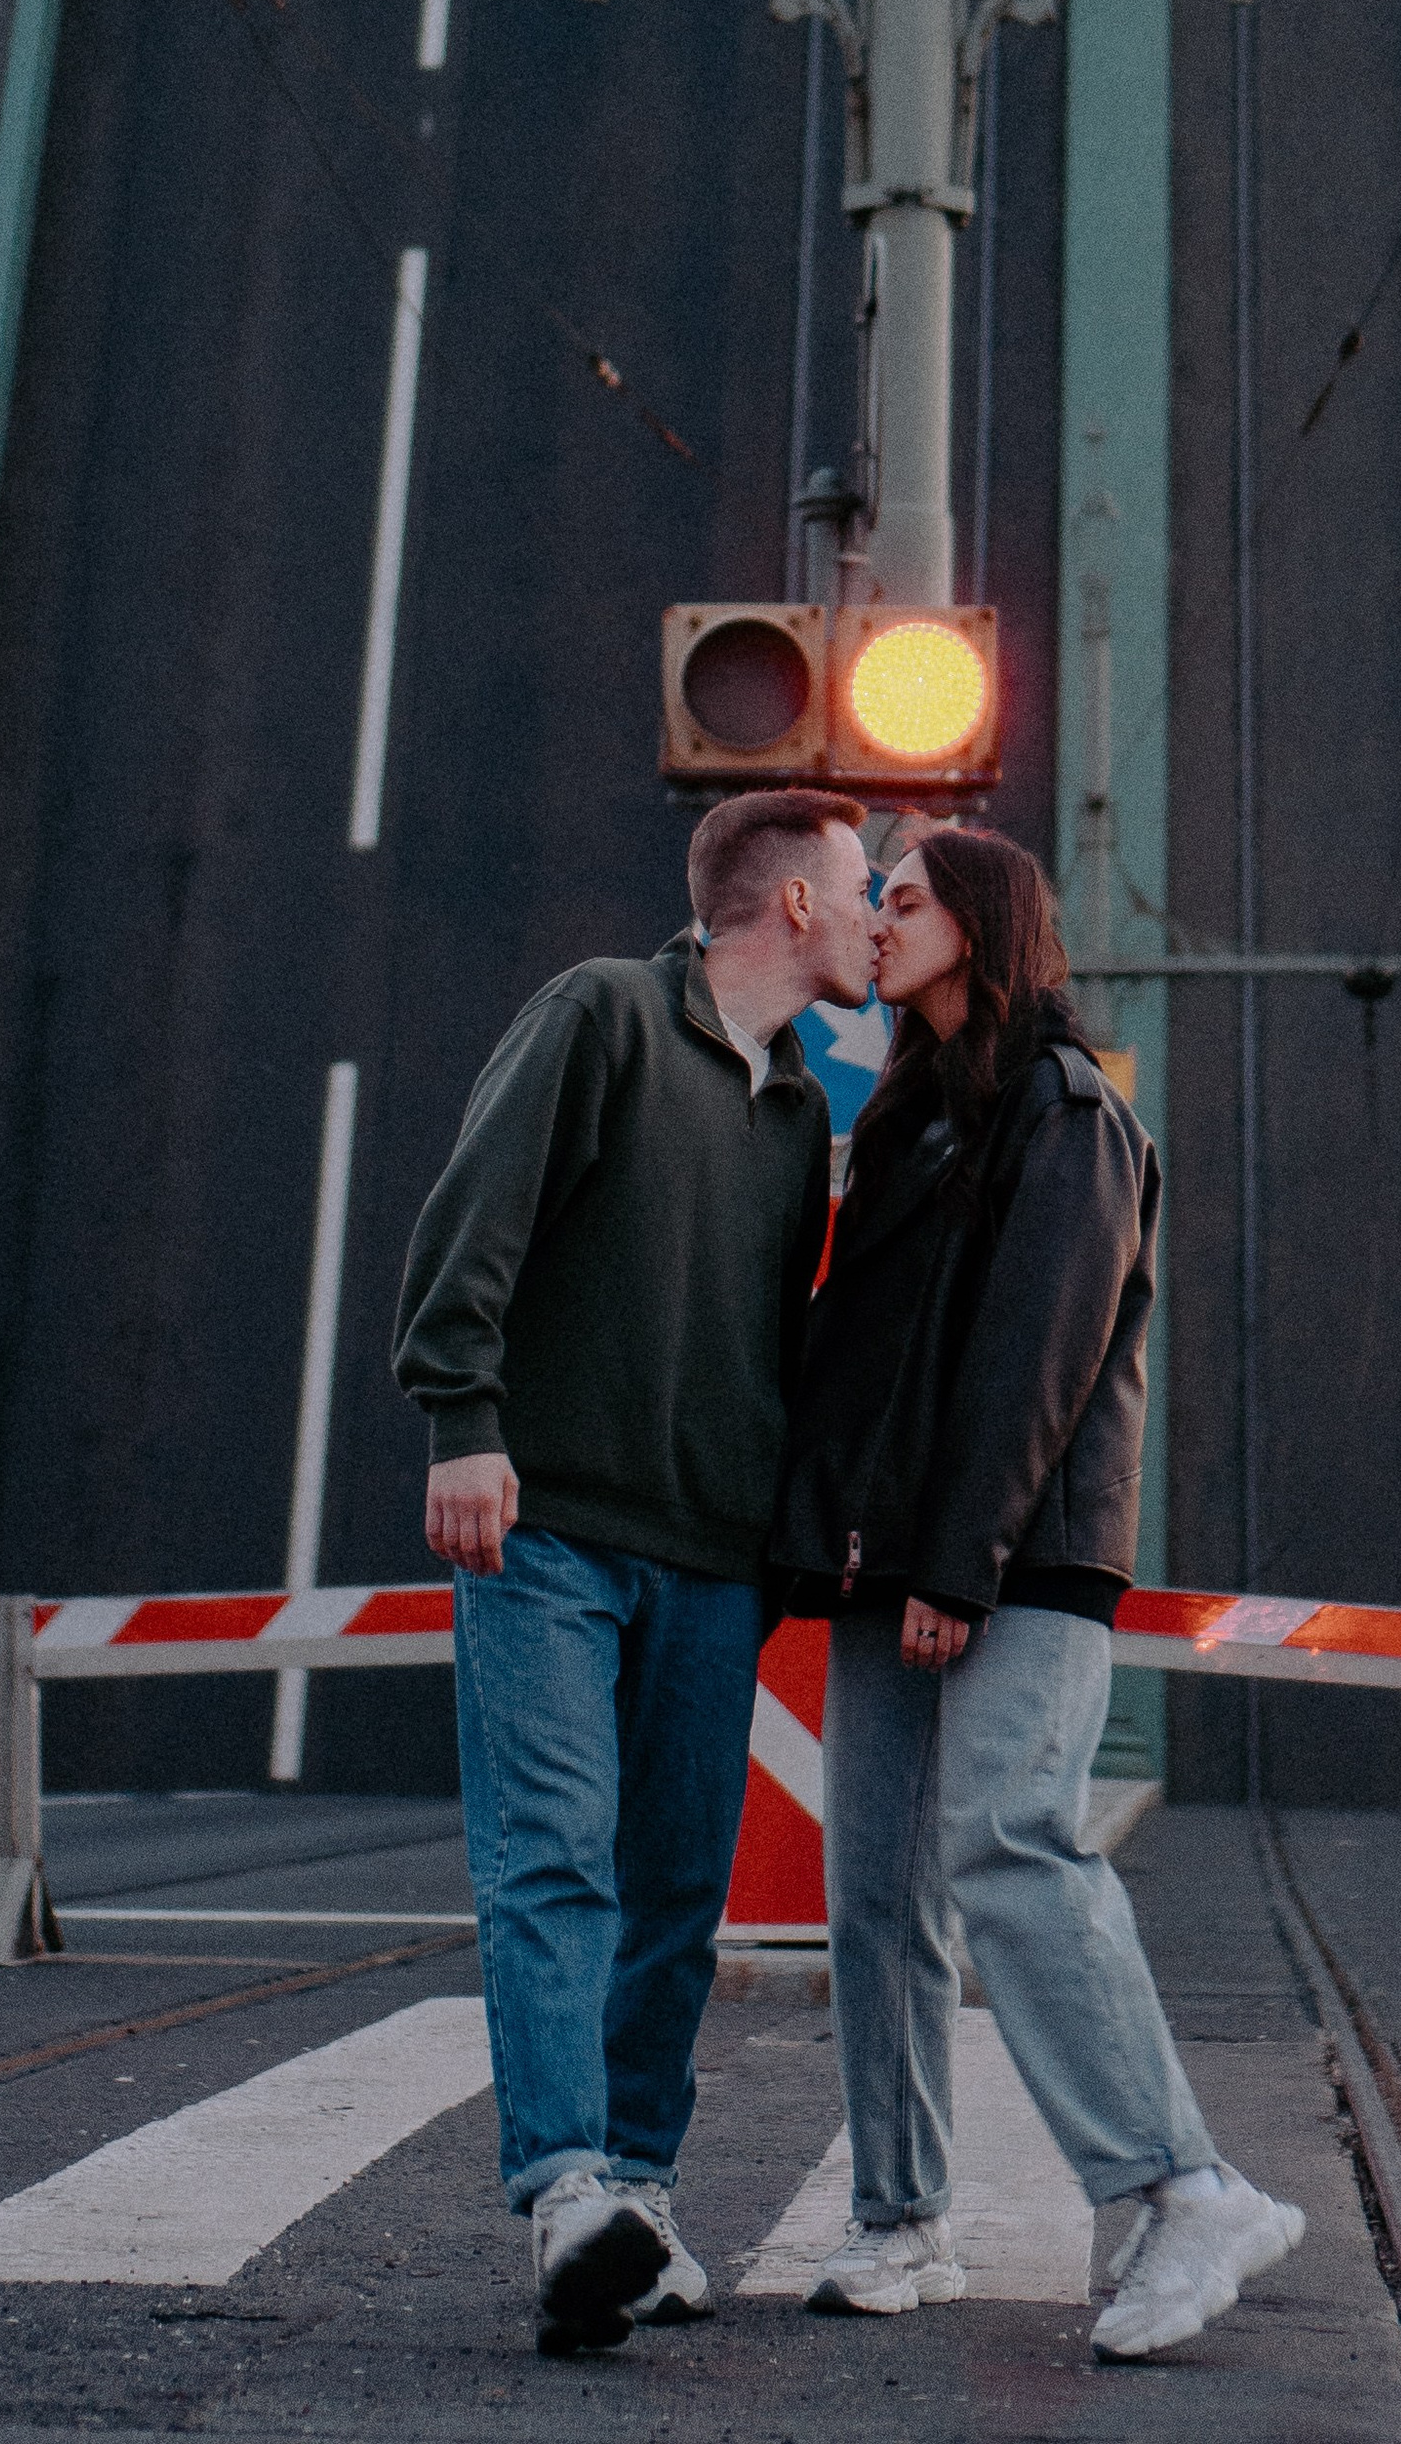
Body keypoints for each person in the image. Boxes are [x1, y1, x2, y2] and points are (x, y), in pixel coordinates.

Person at [771, 825, 1306, 2365]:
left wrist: (960, 1564)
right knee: (874, 1893)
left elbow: (1038, 1359)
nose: (881, 918)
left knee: (1009, 1843)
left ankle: (1182, 2186)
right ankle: (900, 2218)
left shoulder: (1069, 1116)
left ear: (986, 923)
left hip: (1020, 1557)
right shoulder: (910, 1121)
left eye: (910, 899)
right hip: (897, 1559)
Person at [392, 789, 874, 2356]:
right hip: (547, 1529)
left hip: (712, 1561)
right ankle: (564, 2191)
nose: (880, 919)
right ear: (791, 903)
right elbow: (476, 1217)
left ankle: (641, 2203)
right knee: (556, 1855)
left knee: (677, 1891)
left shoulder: (803, 1109)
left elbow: (779, 1346)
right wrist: (463, 1421)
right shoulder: (602, 1014)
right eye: (865, 889)